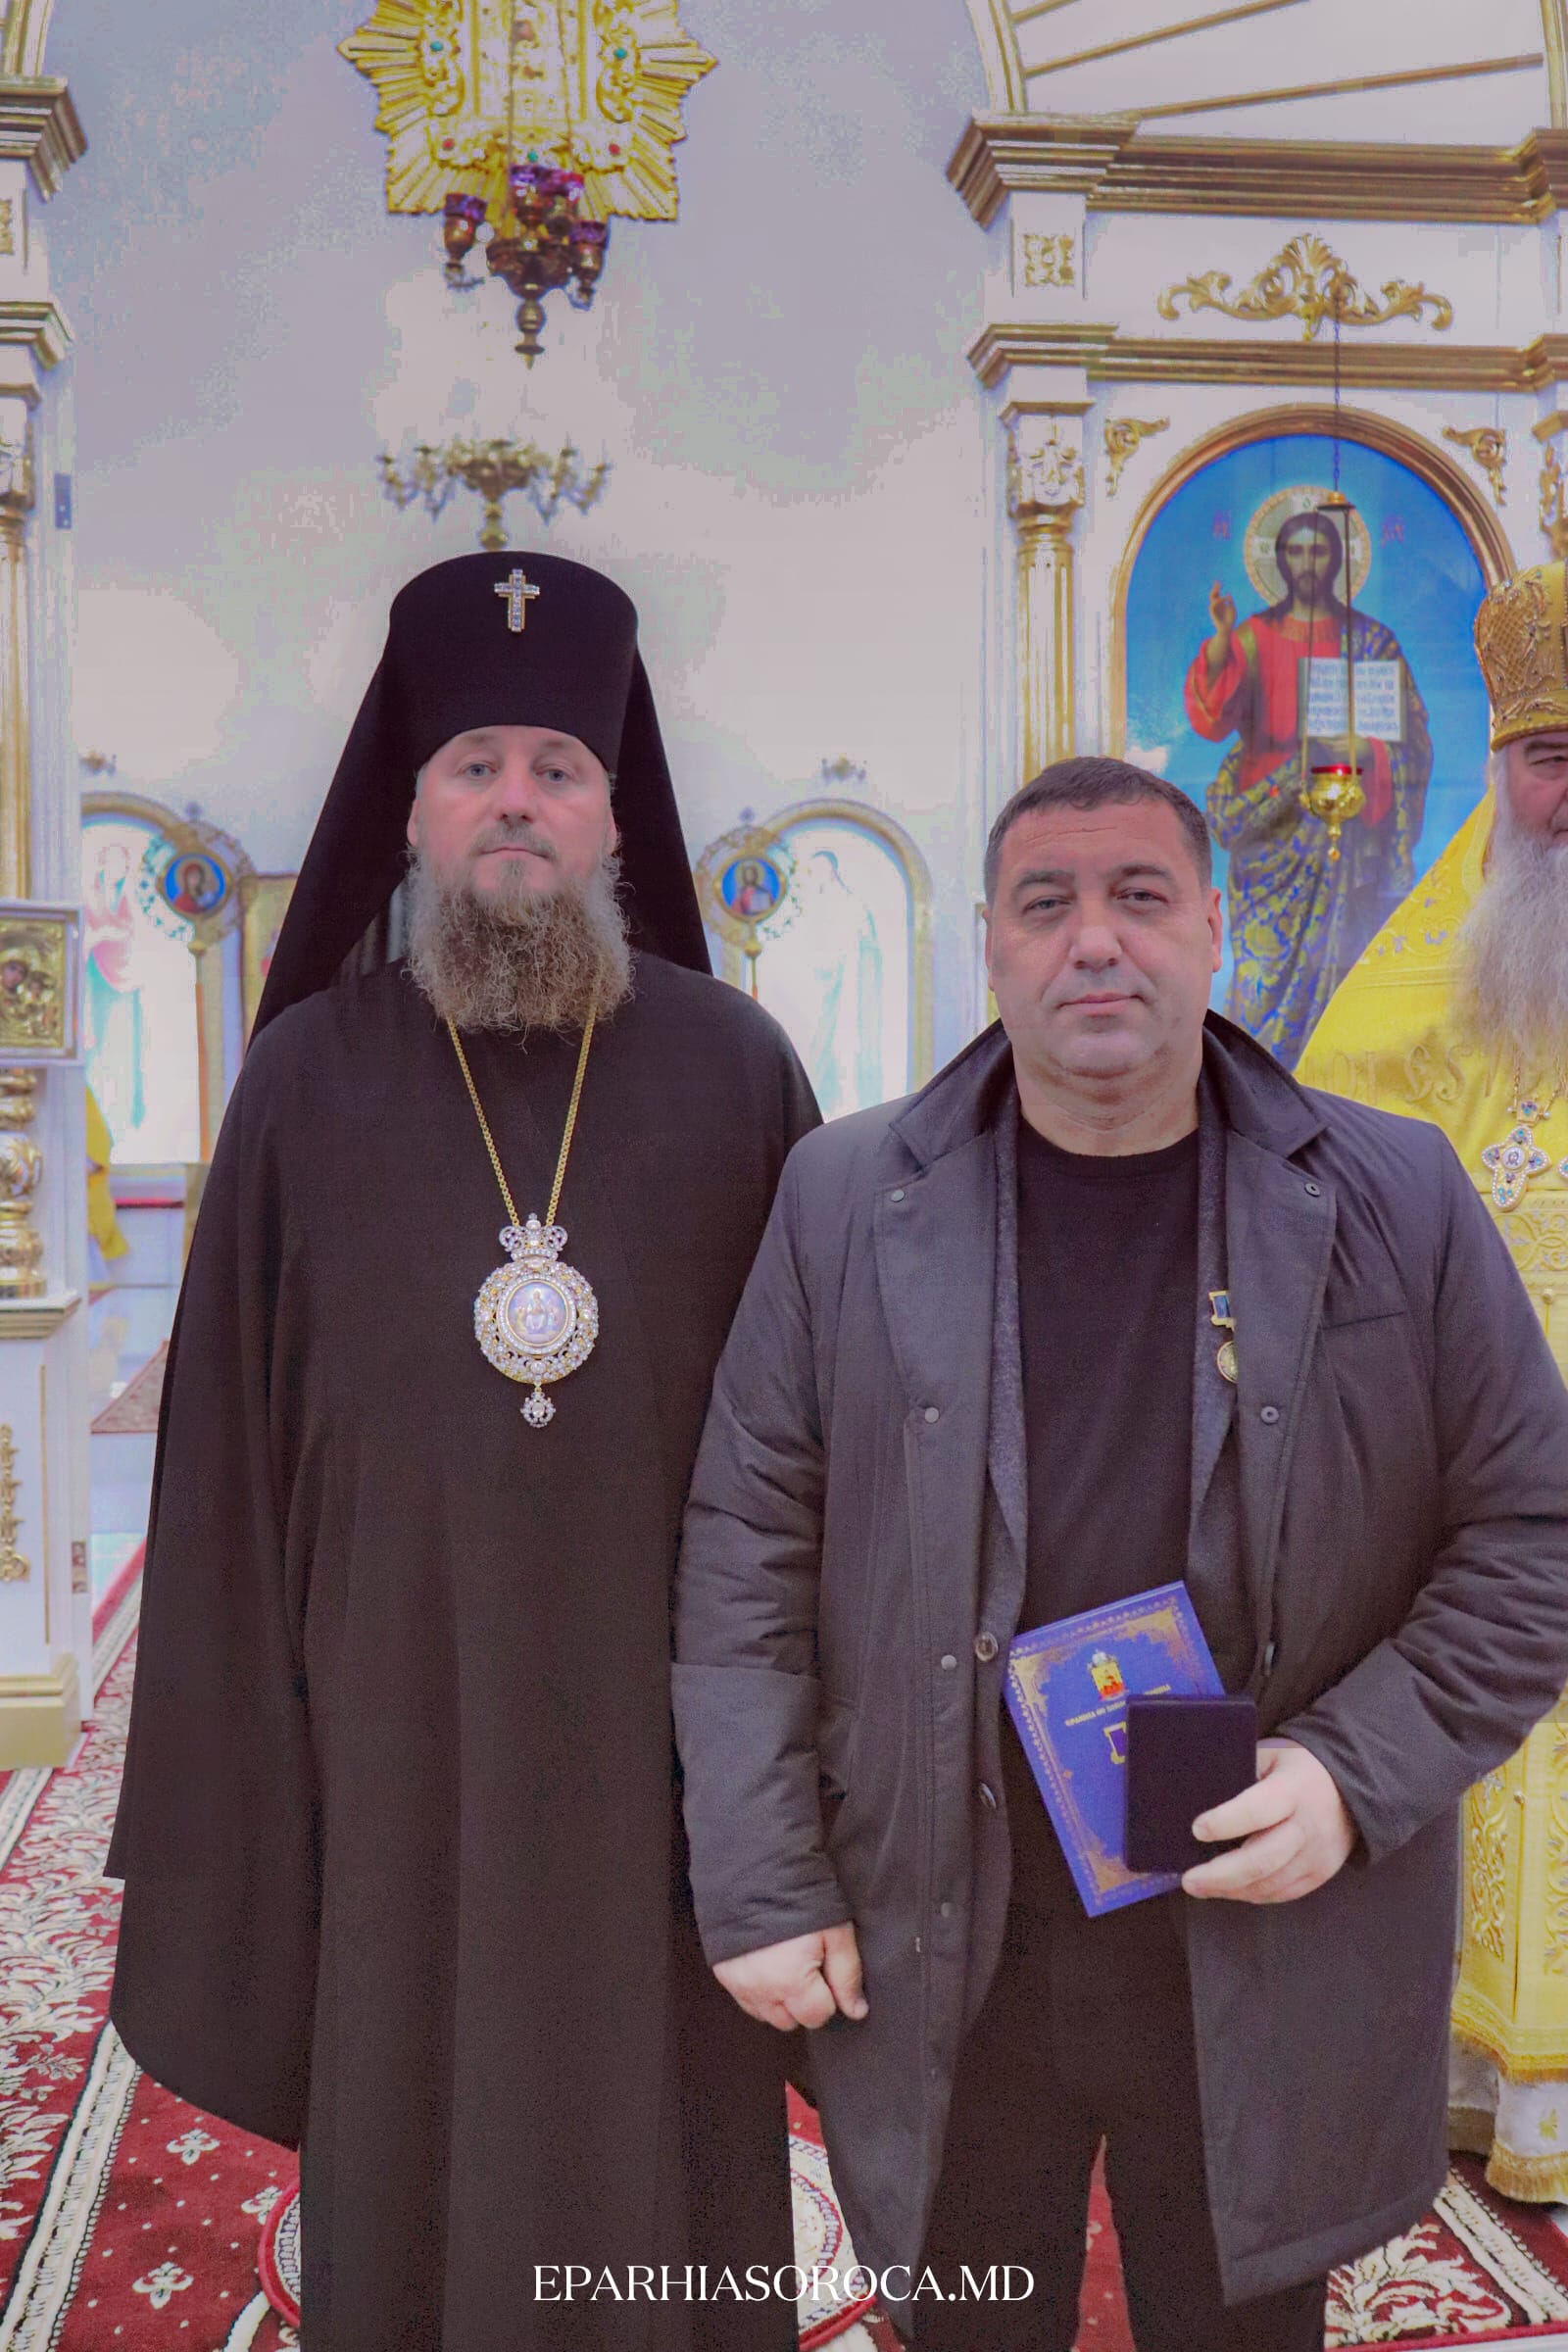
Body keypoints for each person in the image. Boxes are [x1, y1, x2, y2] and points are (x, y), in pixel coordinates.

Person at [672, 754, 1568, 2352]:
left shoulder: (1395, 1194)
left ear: (1214, 925)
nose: (1095, 939)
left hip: (1260, 1919)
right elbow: (748, 1543)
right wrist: (758, 1876)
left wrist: (1351, 1776)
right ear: (990, 945)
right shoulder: (846, 1198)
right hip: (947, 1924)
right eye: (1047, 903)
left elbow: (1532, 1535)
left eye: (1141, 896)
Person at [107, 550, 817, 2351]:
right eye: (477, 765)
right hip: (389, 1727)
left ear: (613, 819)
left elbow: (820, 1444)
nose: (516, 800)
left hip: (667, 1736)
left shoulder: (739, 1069)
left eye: (557, 769)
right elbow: (222, 1465)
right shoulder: (301, 1080)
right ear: (413, 810)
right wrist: (241, 1764)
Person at [1299, 554, 1568, 2204]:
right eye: (1553, 756)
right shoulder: (1409, 992)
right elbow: (1325, 1225)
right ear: (1499, 766)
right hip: (1482, 1493)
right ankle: (1482, 2080)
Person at [1185, 506, 1432, 1066]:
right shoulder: (1251, 638)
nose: (1306, 563)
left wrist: (1367, 752)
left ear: (1338, 558)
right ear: (1278, 560)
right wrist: (1222, 640)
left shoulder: (1372, 642)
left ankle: (1332, 1081)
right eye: (1294, 551)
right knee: (1261, 982)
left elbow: (1413, 742)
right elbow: (1212, 717)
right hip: (1267, 828)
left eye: (1318, 550)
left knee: (1341, 980)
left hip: (1345, 837)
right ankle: (1254, 1085)